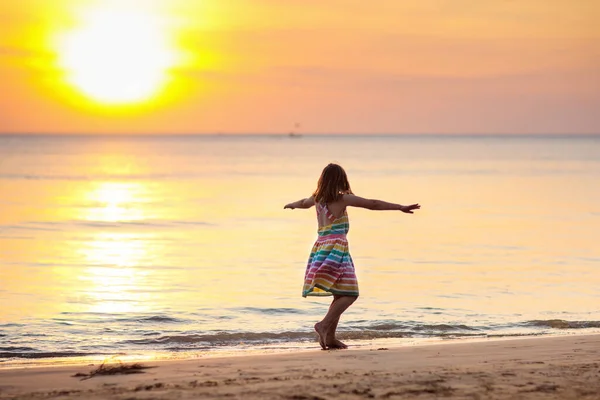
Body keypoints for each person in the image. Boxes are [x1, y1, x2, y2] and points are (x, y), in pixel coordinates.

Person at [284, 163, 421, 350]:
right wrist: (399, 207)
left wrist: (292, 205)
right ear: (342, 180)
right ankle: (323, 325)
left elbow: (302, 203)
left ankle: (330, 338)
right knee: (351, 294)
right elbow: (372, 204)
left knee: (339, 293)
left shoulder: (317, 198)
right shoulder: (343, 199)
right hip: (336, 249)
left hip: (320, 248)